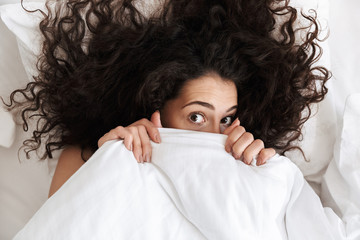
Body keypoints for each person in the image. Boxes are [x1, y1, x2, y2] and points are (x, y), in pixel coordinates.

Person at [5, 0, 330, 197]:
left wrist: (264, 174)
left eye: (227, 118)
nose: (217, 135)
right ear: (156, 108)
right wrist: (106, 162)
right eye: (196, 116)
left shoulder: (249, 162)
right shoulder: (91, 153)